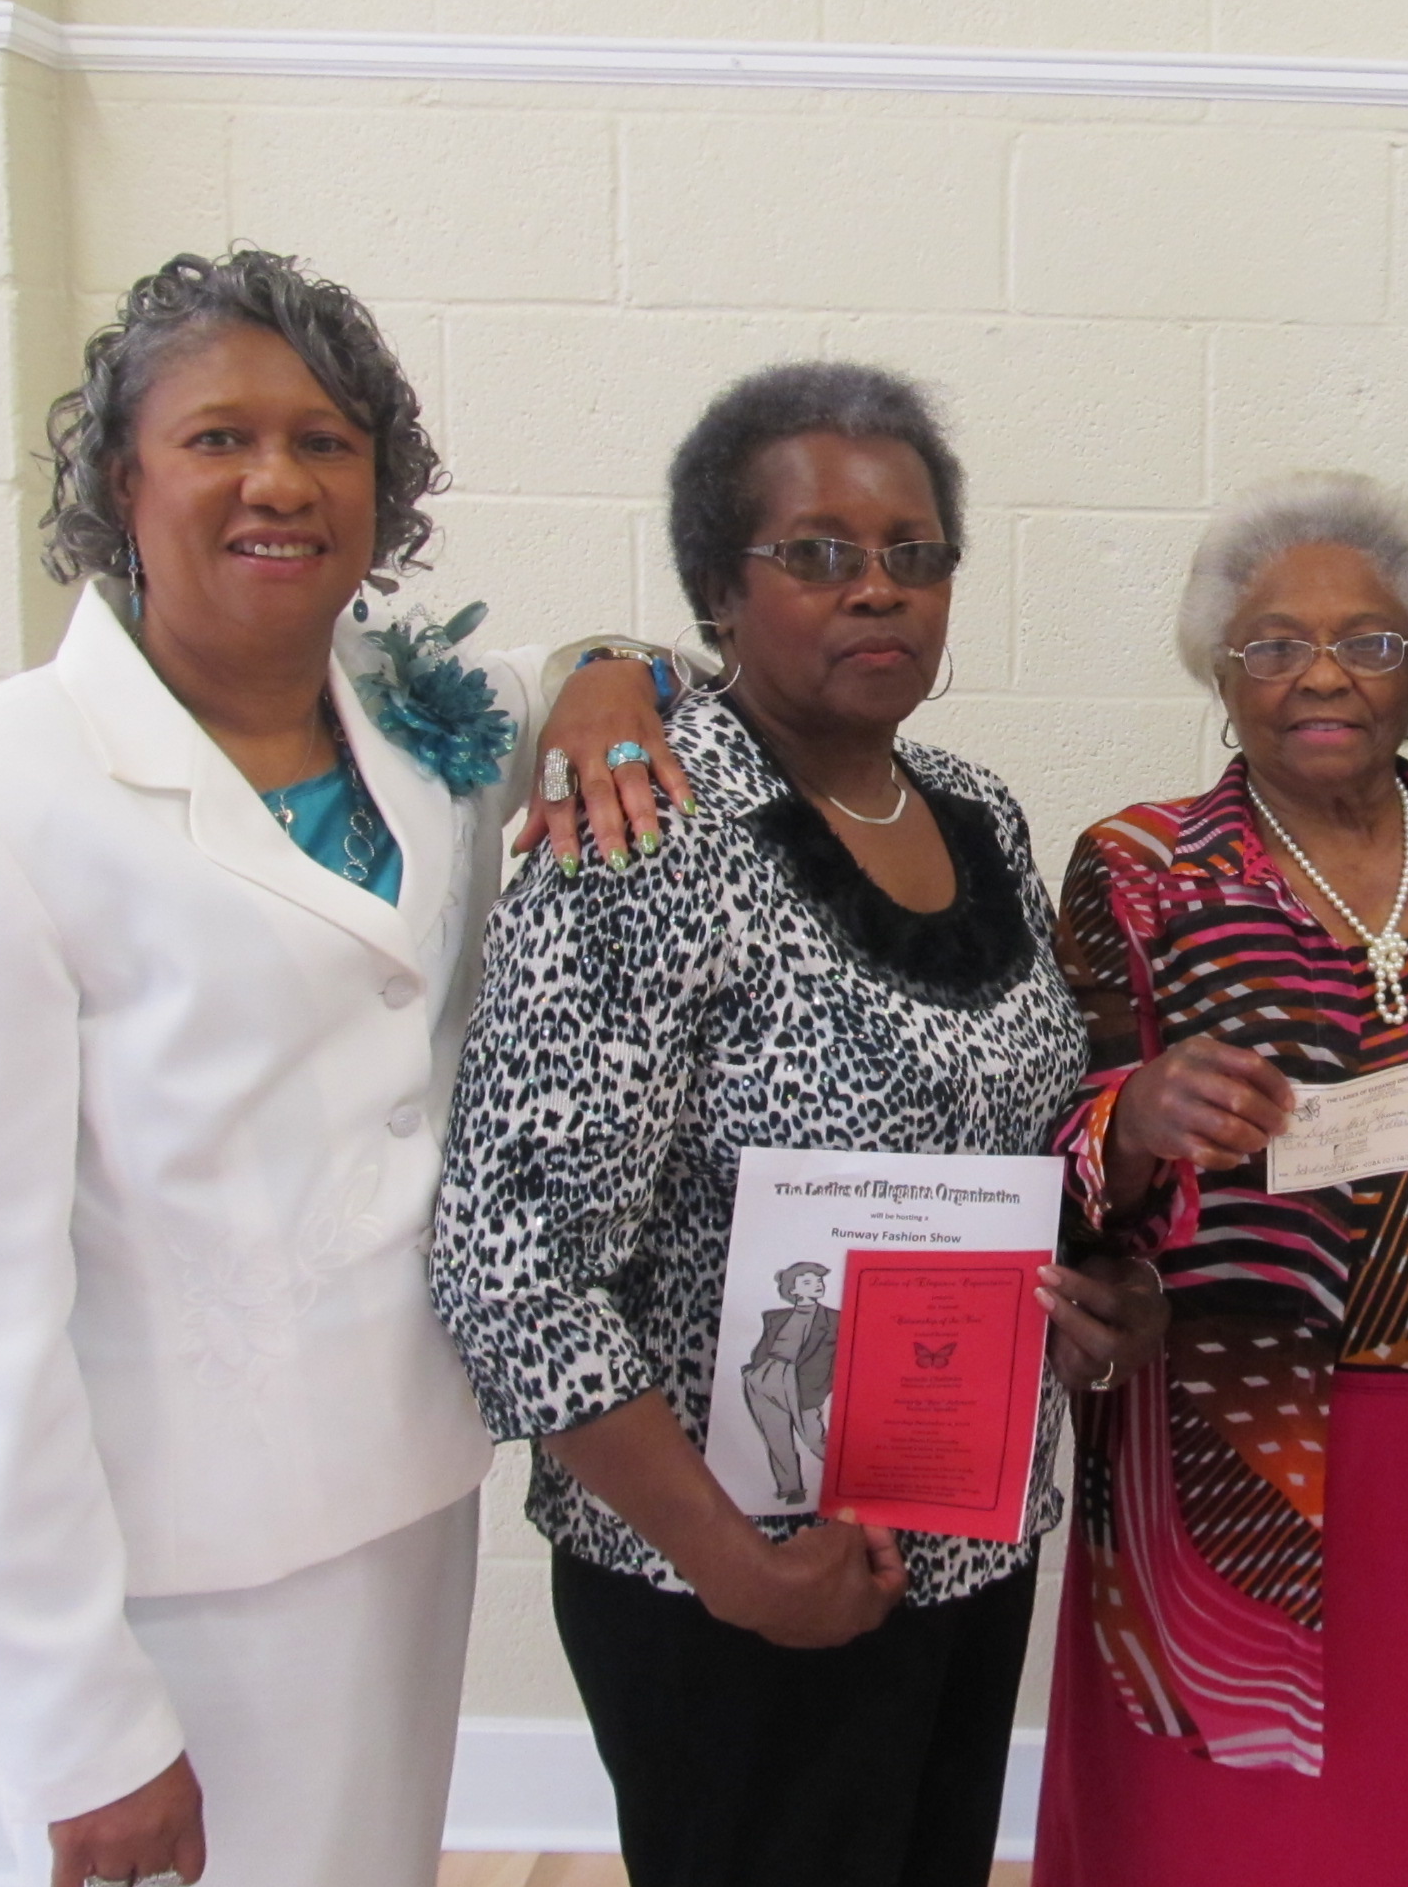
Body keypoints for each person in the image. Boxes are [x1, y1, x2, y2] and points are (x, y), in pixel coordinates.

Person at [0, 248, 680, 1887]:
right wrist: (80, 1722)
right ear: (119, 479)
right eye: (219, 437)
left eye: (326, 439)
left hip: (403, 1486)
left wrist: (614, 665)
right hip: (180, 1567)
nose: (279, 479)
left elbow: (602, 679)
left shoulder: (415, 716)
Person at [429, 361, 1166, 1887]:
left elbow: (1012, 1145)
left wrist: (1089, 1288)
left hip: (963, 1532)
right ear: (716, 583)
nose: (874, 592)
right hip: (728, 1576)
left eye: (914, 554)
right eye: (818, 554)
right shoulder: (640, 832)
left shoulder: (978, 809)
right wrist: (736, 1569)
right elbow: (511, 1265)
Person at [1030, 471, 1408, 1887]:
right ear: (1221, 665)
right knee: (1204, 1825)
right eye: (1273, 643)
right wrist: (1138, 1111)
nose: (1322, 674)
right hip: (1221, 1435)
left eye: (1371, 642)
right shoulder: (1144, 868)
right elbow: (1053, 1137)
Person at [744, 1264, 840, 1507]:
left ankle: (851, 1475)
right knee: (776, 1436)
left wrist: (827, 1384)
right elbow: (764, 1345)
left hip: (804, 1382)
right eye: (808, 1282)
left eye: (818, 1280)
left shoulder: (835, 1318)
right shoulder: (774, 1317)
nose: (818, 1284)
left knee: (813, 1437)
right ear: (793, 1290)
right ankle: (791, 1489)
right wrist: (752, 1370)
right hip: (766, 1376)